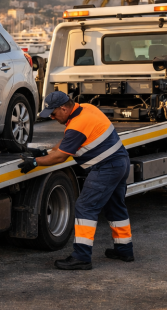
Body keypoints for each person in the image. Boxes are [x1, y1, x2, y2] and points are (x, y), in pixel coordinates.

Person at [18, 91, 134, 270]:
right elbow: (67, 141)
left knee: (85, 207)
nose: (53, 118)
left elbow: (60, 157)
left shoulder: (77, 125)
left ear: (64, 108)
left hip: (105, 168)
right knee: (116, 206)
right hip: (120, 162)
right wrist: (45, 152)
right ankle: (124, 249)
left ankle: (81, 257)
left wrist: (35, 162)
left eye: (54, 114)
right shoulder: (87, 109)